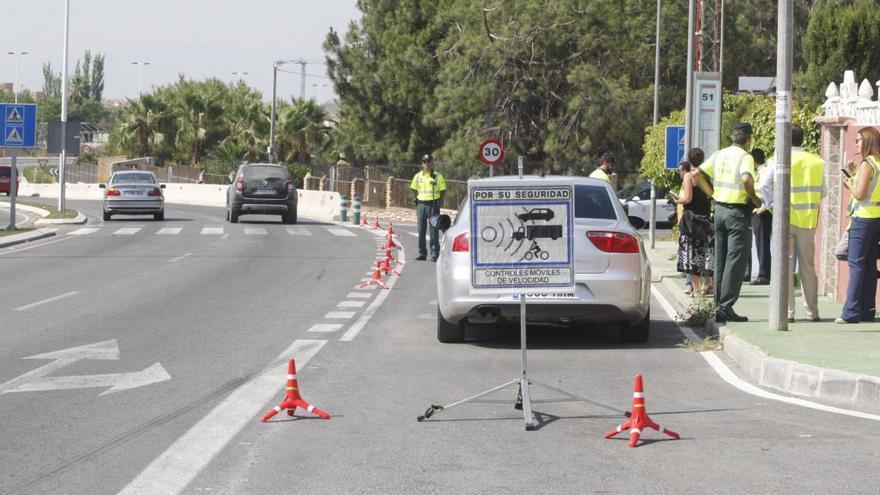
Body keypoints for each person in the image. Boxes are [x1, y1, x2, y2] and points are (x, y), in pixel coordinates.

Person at [695, 122, 761, 322]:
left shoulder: (719, 154)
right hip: (737, 213)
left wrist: (712, 196)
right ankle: (725, 306)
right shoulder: (745, 157)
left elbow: (697, 175)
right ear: (749, 139)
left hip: (720, 210)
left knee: (721, 258)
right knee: (736, 260)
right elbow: (747, 179)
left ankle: (718, 304)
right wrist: (755, 199)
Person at [762, 125, 825, 322]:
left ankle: (787, 312)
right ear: (802, 139)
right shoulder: (817, 162)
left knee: (784, 266)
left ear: (785, 139)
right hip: (808, 219)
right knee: (808, 266)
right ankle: (812, 312)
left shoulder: (778, 160)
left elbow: (764, 184)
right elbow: (824, 192)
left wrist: (771, 203)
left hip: (784, 218)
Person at [837, 127, 880, 324]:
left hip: (862, 219)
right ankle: (867, 310)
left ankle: (851, 312)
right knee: (870, 265)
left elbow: (860, 194)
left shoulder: (867, 164)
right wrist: (855, 176)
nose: (856, 143)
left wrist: (849, 184)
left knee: (856, 264)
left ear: (868, 142)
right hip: (876, 219)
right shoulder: (877, 163)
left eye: (859, 139)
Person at [675, 159, 714, 296]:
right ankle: (705, 286)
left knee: (692, 256)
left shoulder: (688, 176)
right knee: (705, 255)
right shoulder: (706, 176)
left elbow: (687, 198)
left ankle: (696, 289)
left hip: (692, 221)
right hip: (705, 220)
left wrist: (676, 200)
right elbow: (711, 196)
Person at [411, 154, 446, 261]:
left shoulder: (438, 176)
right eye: (425, 162)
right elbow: (413, 188)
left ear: (432, 162)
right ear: (422, 164)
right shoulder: (418, 176)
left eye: (429, 161)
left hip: (433, 205)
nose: (427, 164)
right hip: (421, 204)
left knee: (433, 230)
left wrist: (439, 201)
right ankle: (422, 253)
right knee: (421, 229)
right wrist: (417, 199)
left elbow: (443, 190)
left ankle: (435, 254)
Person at [750, 148, 772, 285]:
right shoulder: (759, 171)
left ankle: (764, 275)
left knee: (762, 244)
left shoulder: (763, 172)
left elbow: (767, 190)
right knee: (761, 244)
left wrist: (764, 207)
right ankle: (764, 274)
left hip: (763, 212)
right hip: (760, 210)